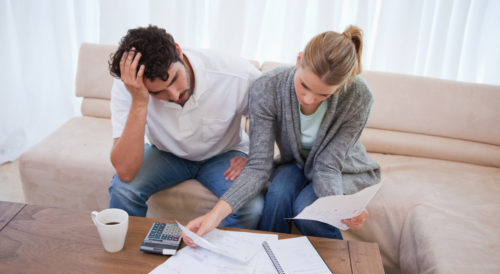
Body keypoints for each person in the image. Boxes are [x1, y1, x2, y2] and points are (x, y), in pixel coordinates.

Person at [184, 25, 381, 245]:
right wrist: (214, 216)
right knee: (277, 195)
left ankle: (341, 270)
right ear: (298, 60)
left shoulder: (359, 96)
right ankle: (267, 261)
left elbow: (328, 166)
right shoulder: (267, 86)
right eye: (304, 85)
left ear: (342, 85)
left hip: (341, 168)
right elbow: (259, 166)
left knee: (308, 213)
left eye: (323, 94)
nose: (308, 99)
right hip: (295, 163)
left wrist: (339, 209)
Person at [107, 25, 263, 229]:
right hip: (166, 154)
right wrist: (139, 100)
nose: (174, 95)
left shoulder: (237, 74)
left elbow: (273, 118)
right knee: (123, 190)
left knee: (250, 207)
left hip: (224, 153)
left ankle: (222, 259)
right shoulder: (129, 86)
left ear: (178, 51)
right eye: (158, 93)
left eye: (174, 79)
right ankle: (129, 260)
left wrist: (254, 156)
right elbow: (125, 171)